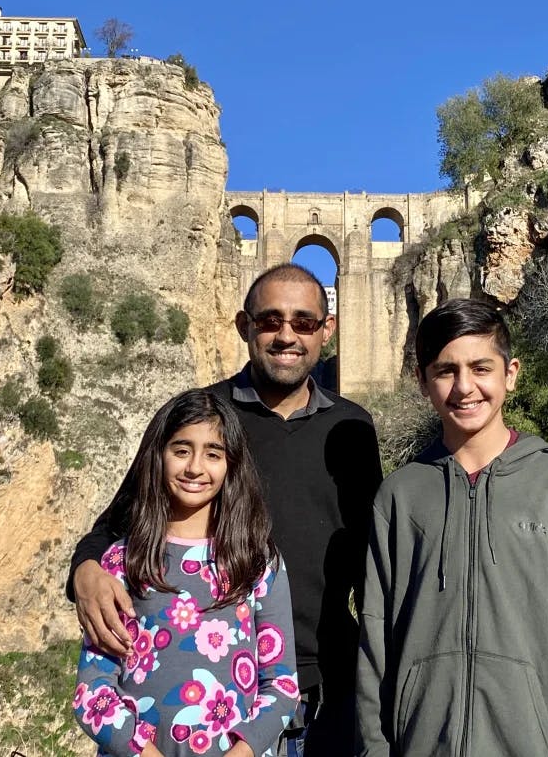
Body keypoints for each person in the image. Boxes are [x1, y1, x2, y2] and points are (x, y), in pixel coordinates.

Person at [68, 264, 383, 757]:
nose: (286, 336)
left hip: (328, 695)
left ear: (327, 330)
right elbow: (118, 522)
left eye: (304, 322)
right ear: (244, 326)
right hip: (209, 709)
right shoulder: (199, 419)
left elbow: (371, 557)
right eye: (269, 320)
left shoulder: (353, 428)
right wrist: (84, 572)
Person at [355, 298, 548, 757]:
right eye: (446, 370)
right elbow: (374, 641)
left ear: (511, 373)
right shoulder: (400, 496)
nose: (465, 387)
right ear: (424, 382)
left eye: (480, 367)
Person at [73, 388, 299, 756]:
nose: (195, 467)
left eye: (213, 454)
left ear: (232, 465)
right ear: (157, 456)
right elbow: (92, 694)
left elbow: (282, 686)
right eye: (181, 451)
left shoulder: (257, 563)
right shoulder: (121, 562)